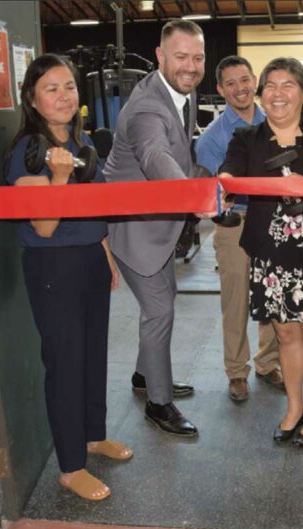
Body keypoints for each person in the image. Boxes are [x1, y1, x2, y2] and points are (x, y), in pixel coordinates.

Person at [4, 54, 133, 502]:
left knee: (93, 353)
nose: (64, 96)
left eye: (70, 87)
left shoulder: (83, 145)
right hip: (53, 265)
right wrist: (58, 179)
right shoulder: (28, 151)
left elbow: (92, 210)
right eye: (52, 89)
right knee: (65, 363)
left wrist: (106, 254)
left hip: (90, 261)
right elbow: (43, 226)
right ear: (33, 100)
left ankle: (93, 435)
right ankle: (70, 466)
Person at [219, 57, 303, 447]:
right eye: (271, 86)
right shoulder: (247, 138)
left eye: (287, 85)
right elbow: (229, 171)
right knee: (285, 335)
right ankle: (295, 406)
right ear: (261, 94)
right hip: (271, 251)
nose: (277, 94)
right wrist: (225, 185)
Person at [104, 20, 204, 437]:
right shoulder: (147, 107)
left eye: (198, 58)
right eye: (180, 57)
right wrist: (195, 196)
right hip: (132, 229)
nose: (190, 66)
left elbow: (183, 150)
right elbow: (155, 154)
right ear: (161, 56)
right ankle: (158, 405)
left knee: (167, 298)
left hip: (158, 224)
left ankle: (145, 378)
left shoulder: (183, 92)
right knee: (159, 310)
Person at [195, 55, 283, 402]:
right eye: (230, 83)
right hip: (235, 224)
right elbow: (209, 192)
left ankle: (268, 362)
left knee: (273, 295)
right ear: (220, 89)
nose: (240, 88)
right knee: (236, 301)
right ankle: (236, 371)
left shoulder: (276, 121)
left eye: (244, 80)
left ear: (254, 80)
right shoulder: (213, 139)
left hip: (274, 220)